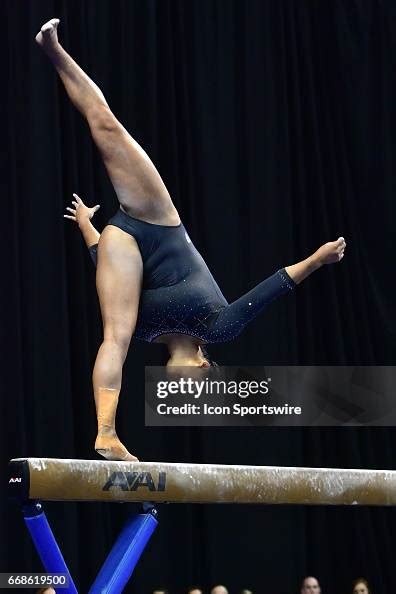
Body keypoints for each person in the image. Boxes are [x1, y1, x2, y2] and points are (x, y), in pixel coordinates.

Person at [36, 18, 346, 462]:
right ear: (203, 365)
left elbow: (106, 266)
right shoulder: (219, 326)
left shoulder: (144, 331)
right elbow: (275, 286)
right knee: (106, 127)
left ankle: (106, 433)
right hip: (157, 222)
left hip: (121, 243)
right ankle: (54, 50)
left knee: (114, 339)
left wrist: (88, 226)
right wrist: (318, 259)